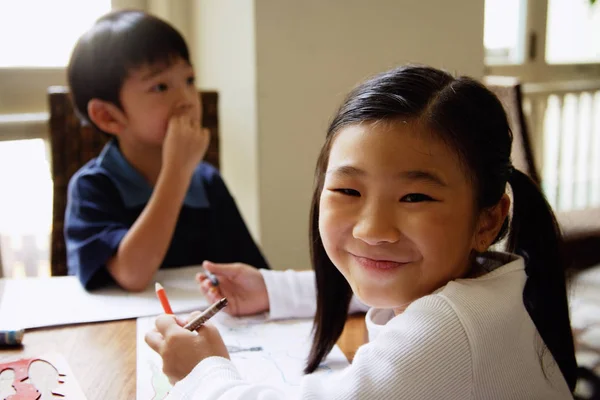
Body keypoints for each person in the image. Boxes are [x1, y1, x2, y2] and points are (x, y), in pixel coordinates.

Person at [145, 65, 577, 399]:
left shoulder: (448, 330)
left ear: (487, 220)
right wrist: (273, 290)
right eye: (348, 189)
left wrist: (201, 373)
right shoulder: (483, 281)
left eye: (415, 198)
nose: (373, 229)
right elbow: (382, 282)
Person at [64, 10, 269, 291]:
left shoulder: (207, 183)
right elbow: (132, 274)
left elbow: (255, 275)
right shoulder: (92, 187)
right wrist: (177, 172)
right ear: (108, 116)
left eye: (189, 80)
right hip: (117, 331)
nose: (187, 100)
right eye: (160, 86)